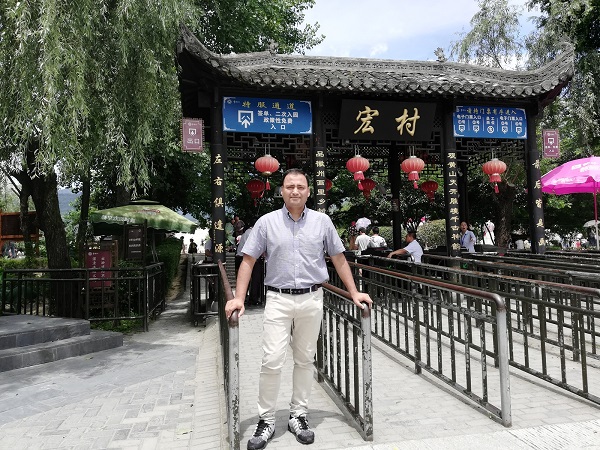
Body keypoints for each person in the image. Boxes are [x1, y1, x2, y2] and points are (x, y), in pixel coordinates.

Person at [225, 168, 372, 450]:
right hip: (278, 299)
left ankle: (298, 414)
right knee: (271, 359)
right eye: (289, 186)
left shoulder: (322, 222)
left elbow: (339, 258)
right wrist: (238, 298)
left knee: (305, 360)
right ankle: (266, 419)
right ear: (281, 190)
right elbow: (248, 260)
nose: (295, 191)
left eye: (300, 187)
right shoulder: (267, 223)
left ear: (308, 191)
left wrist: (354, 292)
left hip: (312, 297)